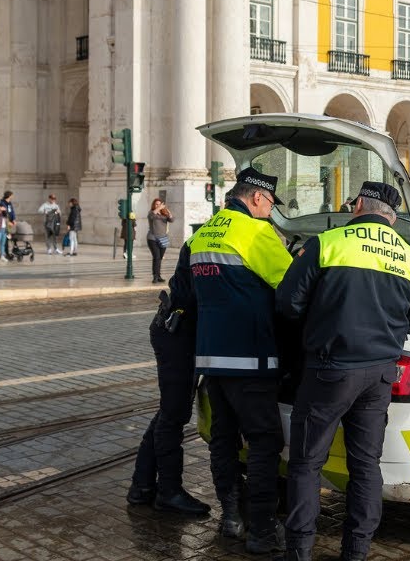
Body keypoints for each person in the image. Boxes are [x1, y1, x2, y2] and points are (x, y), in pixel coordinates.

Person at [276, 182, 410, 561]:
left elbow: (288, 304)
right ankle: (356, 552)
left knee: (307, 463)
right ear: (392, 217)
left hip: (330, 370)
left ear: (359, 204)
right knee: (365, 465)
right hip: (379, 375)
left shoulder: (328, 243)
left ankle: (299, 552)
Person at [187, 168, 293, 554]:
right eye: (269, 206)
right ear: (257, 198)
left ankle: (231, 517)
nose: (270, 214)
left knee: (224, 440)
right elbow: (292, 285)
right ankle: (263, 530)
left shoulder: (204, 233)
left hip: (211, 359)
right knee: (265, 442)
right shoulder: (257, 233)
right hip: (252, 358)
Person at [125, 241, 209, 516]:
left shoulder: (206, 236)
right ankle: (169, 492)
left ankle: (142, 487)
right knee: (174, 414)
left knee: (169, 413)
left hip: (176, 330)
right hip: (177, 332)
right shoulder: (224, 239)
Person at [147, 198, 173, 283]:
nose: (158, 206)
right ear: (154, 205)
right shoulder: (152, 213)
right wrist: (159, 208)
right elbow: (151, 216)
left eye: (159, 204)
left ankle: (158, 275)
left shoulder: (164, 214)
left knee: (160, 258)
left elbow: (171, 220)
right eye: (156, 204)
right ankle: (155, 276)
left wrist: (169, 213)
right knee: (156, 257)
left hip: (163, 239)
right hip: (152, 238)